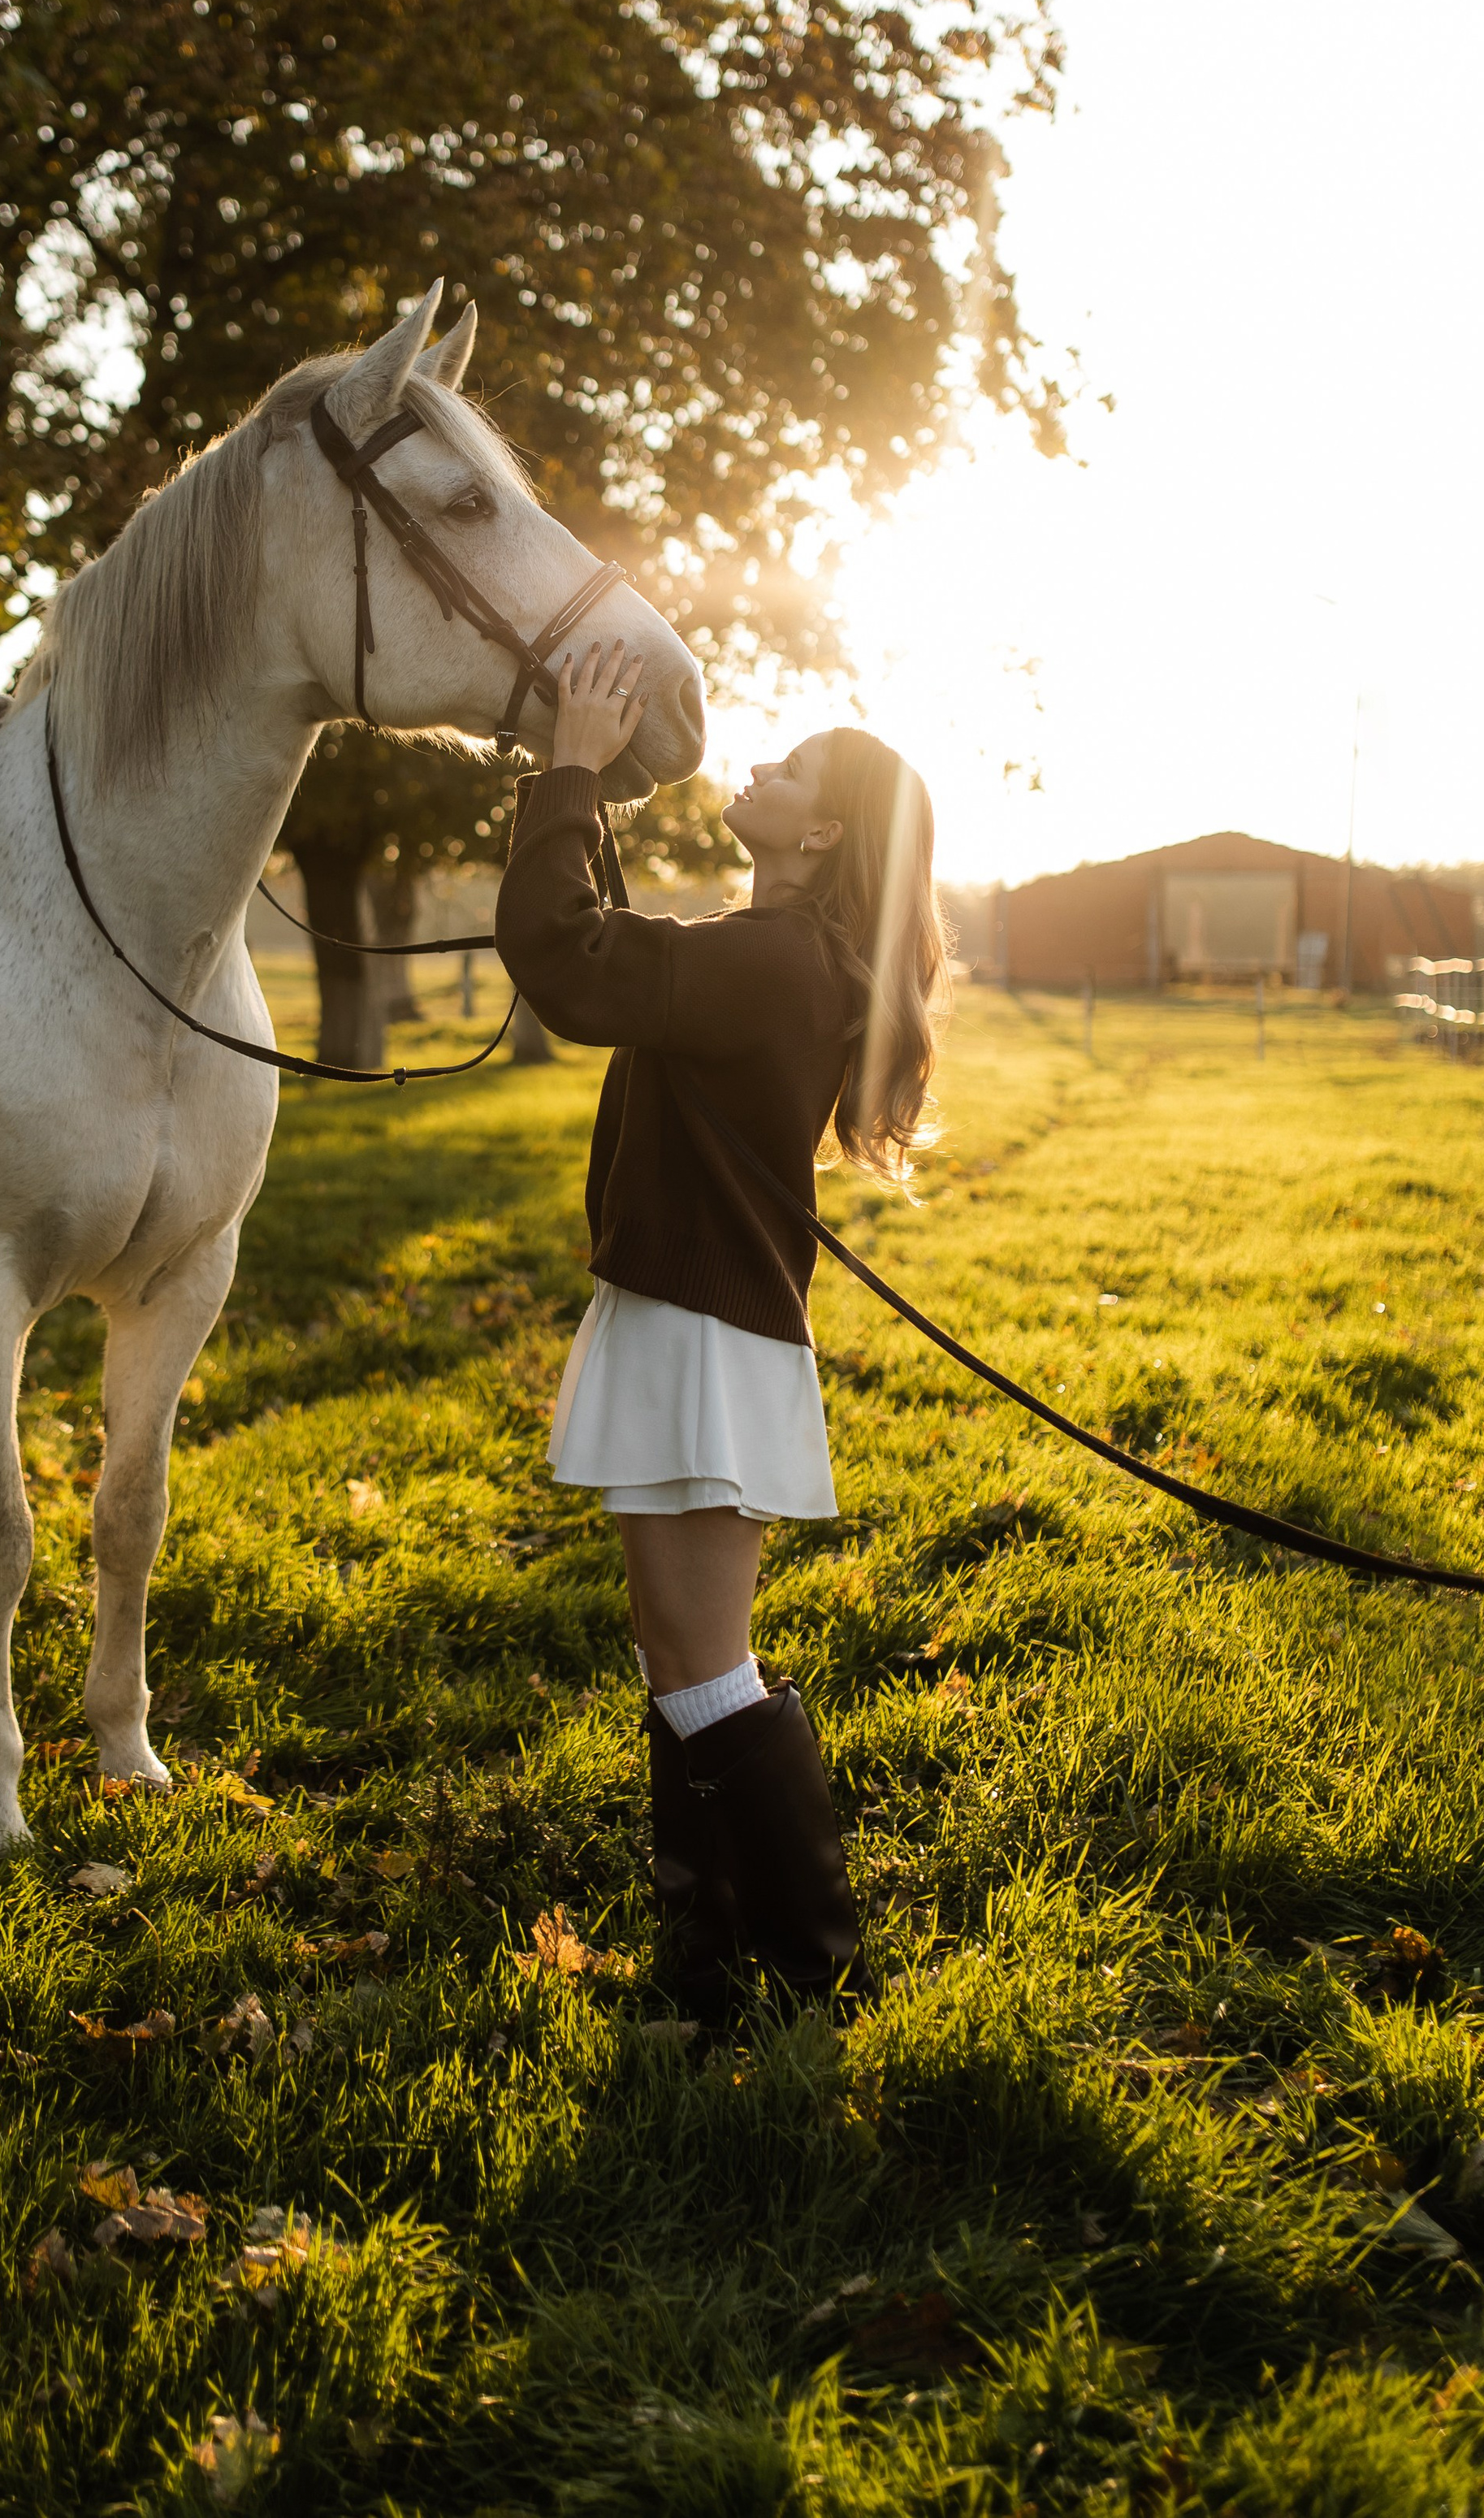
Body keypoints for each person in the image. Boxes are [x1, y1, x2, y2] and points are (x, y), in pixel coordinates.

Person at [495, 644, 946, 2017]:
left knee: (706, 1665)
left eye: (790, 768)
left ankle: (813, 1966)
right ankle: (710, 1956)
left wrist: (570, 771)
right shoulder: (772, 954)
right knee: (677, 1658)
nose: (755, 764)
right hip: (687, 1316)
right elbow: (625, 958)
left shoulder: (777, 965)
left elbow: (568, 967)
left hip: (704, 1333)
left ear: (822, 830)